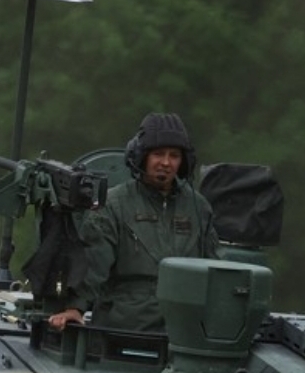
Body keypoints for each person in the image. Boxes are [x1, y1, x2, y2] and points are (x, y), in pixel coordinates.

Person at [48, 112, 218, 333]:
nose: (166, 163)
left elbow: (215, 269)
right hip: (126, 325)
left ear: (184, 161)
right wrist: (75, 308)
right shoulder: (114, 205)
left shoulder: (198, 208)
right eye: (158, 154)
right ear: (140, 156)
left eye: (174, 155)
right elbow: (93, 265)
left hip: (183, 327)